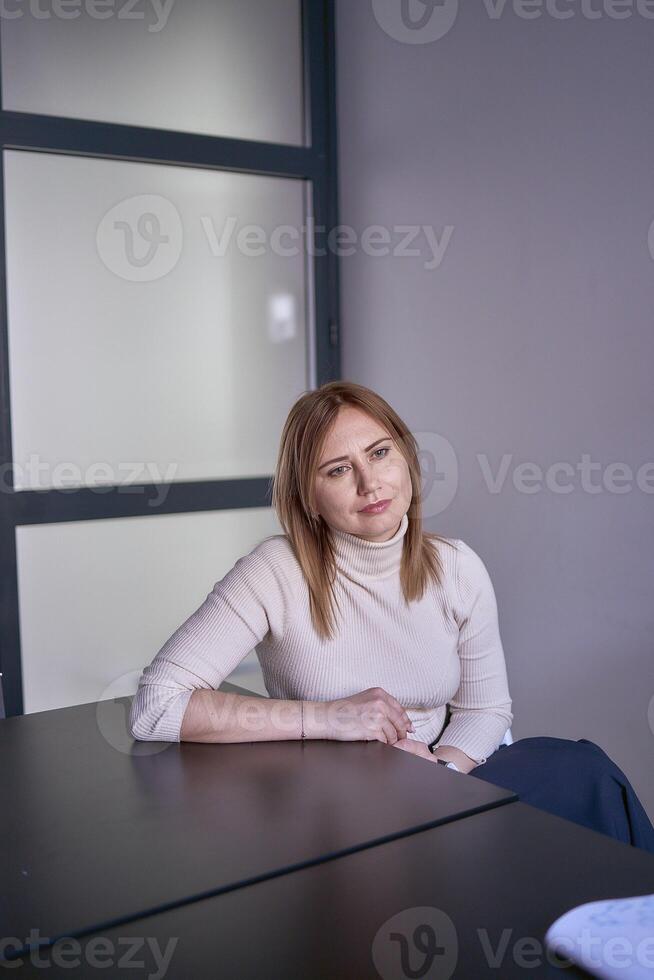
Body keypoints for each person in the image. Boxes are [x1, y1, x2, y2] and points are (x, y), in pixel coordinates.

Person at [129, 381, 654, 853]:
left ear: (405, 457)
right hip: (334, 804)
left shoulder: (457, 566)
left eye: (379, 453)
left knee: (586, 774)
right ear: (309, 497)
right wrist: (327, 717)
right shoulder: (274, 570)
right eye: (338, 470)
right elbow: (157, 705)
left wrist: (441, 773)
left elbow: (486, 710)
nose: (369, 482)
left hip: (449, 777)